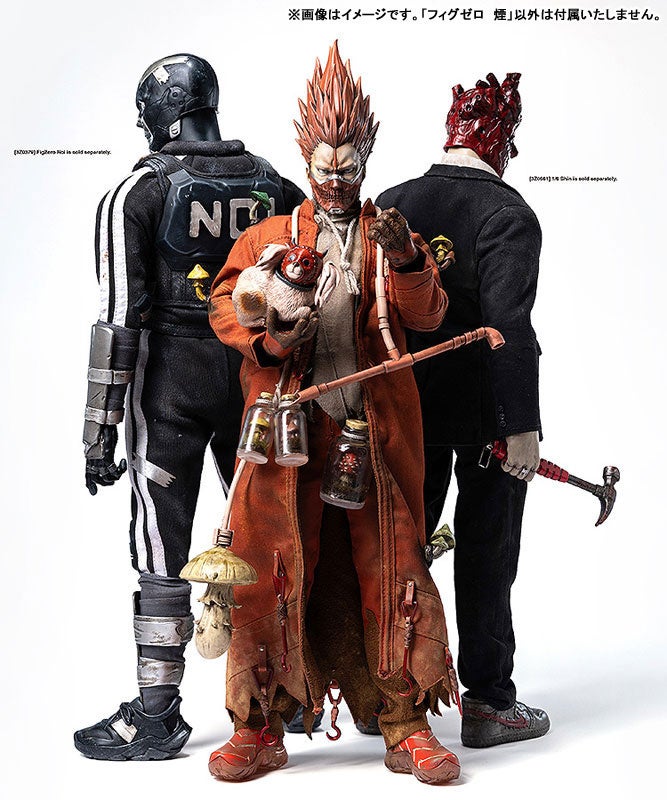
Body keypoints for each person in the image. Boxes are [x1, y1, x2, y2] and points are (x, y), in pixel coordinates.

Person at [204, 42, 461, 784]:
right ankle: (259, 723)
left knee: (393, 564)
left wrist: (406, 258)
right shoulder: (269, 236)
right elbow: (225, 306)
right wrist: (271, 331)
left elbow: (429, 314)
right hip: (285, 438)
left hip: (373, 436)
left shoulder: (390, 233)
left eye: (350, 167)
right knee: (268, 571)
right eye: (326, 167)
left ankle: (405, 721)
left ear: (366, 160)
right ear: (307, 161)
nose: (338, 180)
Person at [74, 53, 305, 761]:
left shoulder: (137, 192)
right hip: (257, 382)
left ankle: (156, 714)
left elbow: (120, 320)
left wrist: (98, 429)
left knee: (160, 549)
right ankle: (290, 695)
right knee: (274, 535)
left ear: (161, 111)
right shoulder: (277, 186)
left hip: (170, 388)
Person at [376, 72, 550, 748]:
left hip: (406, 411)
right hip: (484, 420)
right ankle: (487, 702)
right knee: (485, 553)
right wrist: (521, 425)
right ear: (499, 139)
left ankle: (388, 695)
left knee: (398, 549)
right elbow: (509, 328)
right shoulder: (507, 214)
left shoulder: (394, 201)